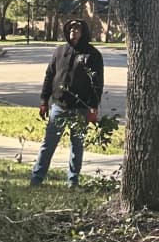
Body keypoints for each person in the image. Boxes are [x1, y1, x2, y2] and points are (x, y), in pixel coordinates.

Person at [33, 18, 105, 188]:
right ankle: (36, 179)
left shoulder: (92, 55)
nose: (73, 31)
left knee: (77, 146)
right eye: (71, 28)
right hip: (59, 106)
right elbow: (49, 76)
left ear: (83, 32)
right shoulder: (59, 51)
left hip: (80, 108)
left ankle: (72, 182)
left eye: (77, 28)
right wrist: (44, 100)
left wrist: (93, 107)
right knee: (48, 145)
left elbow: (97, 84)